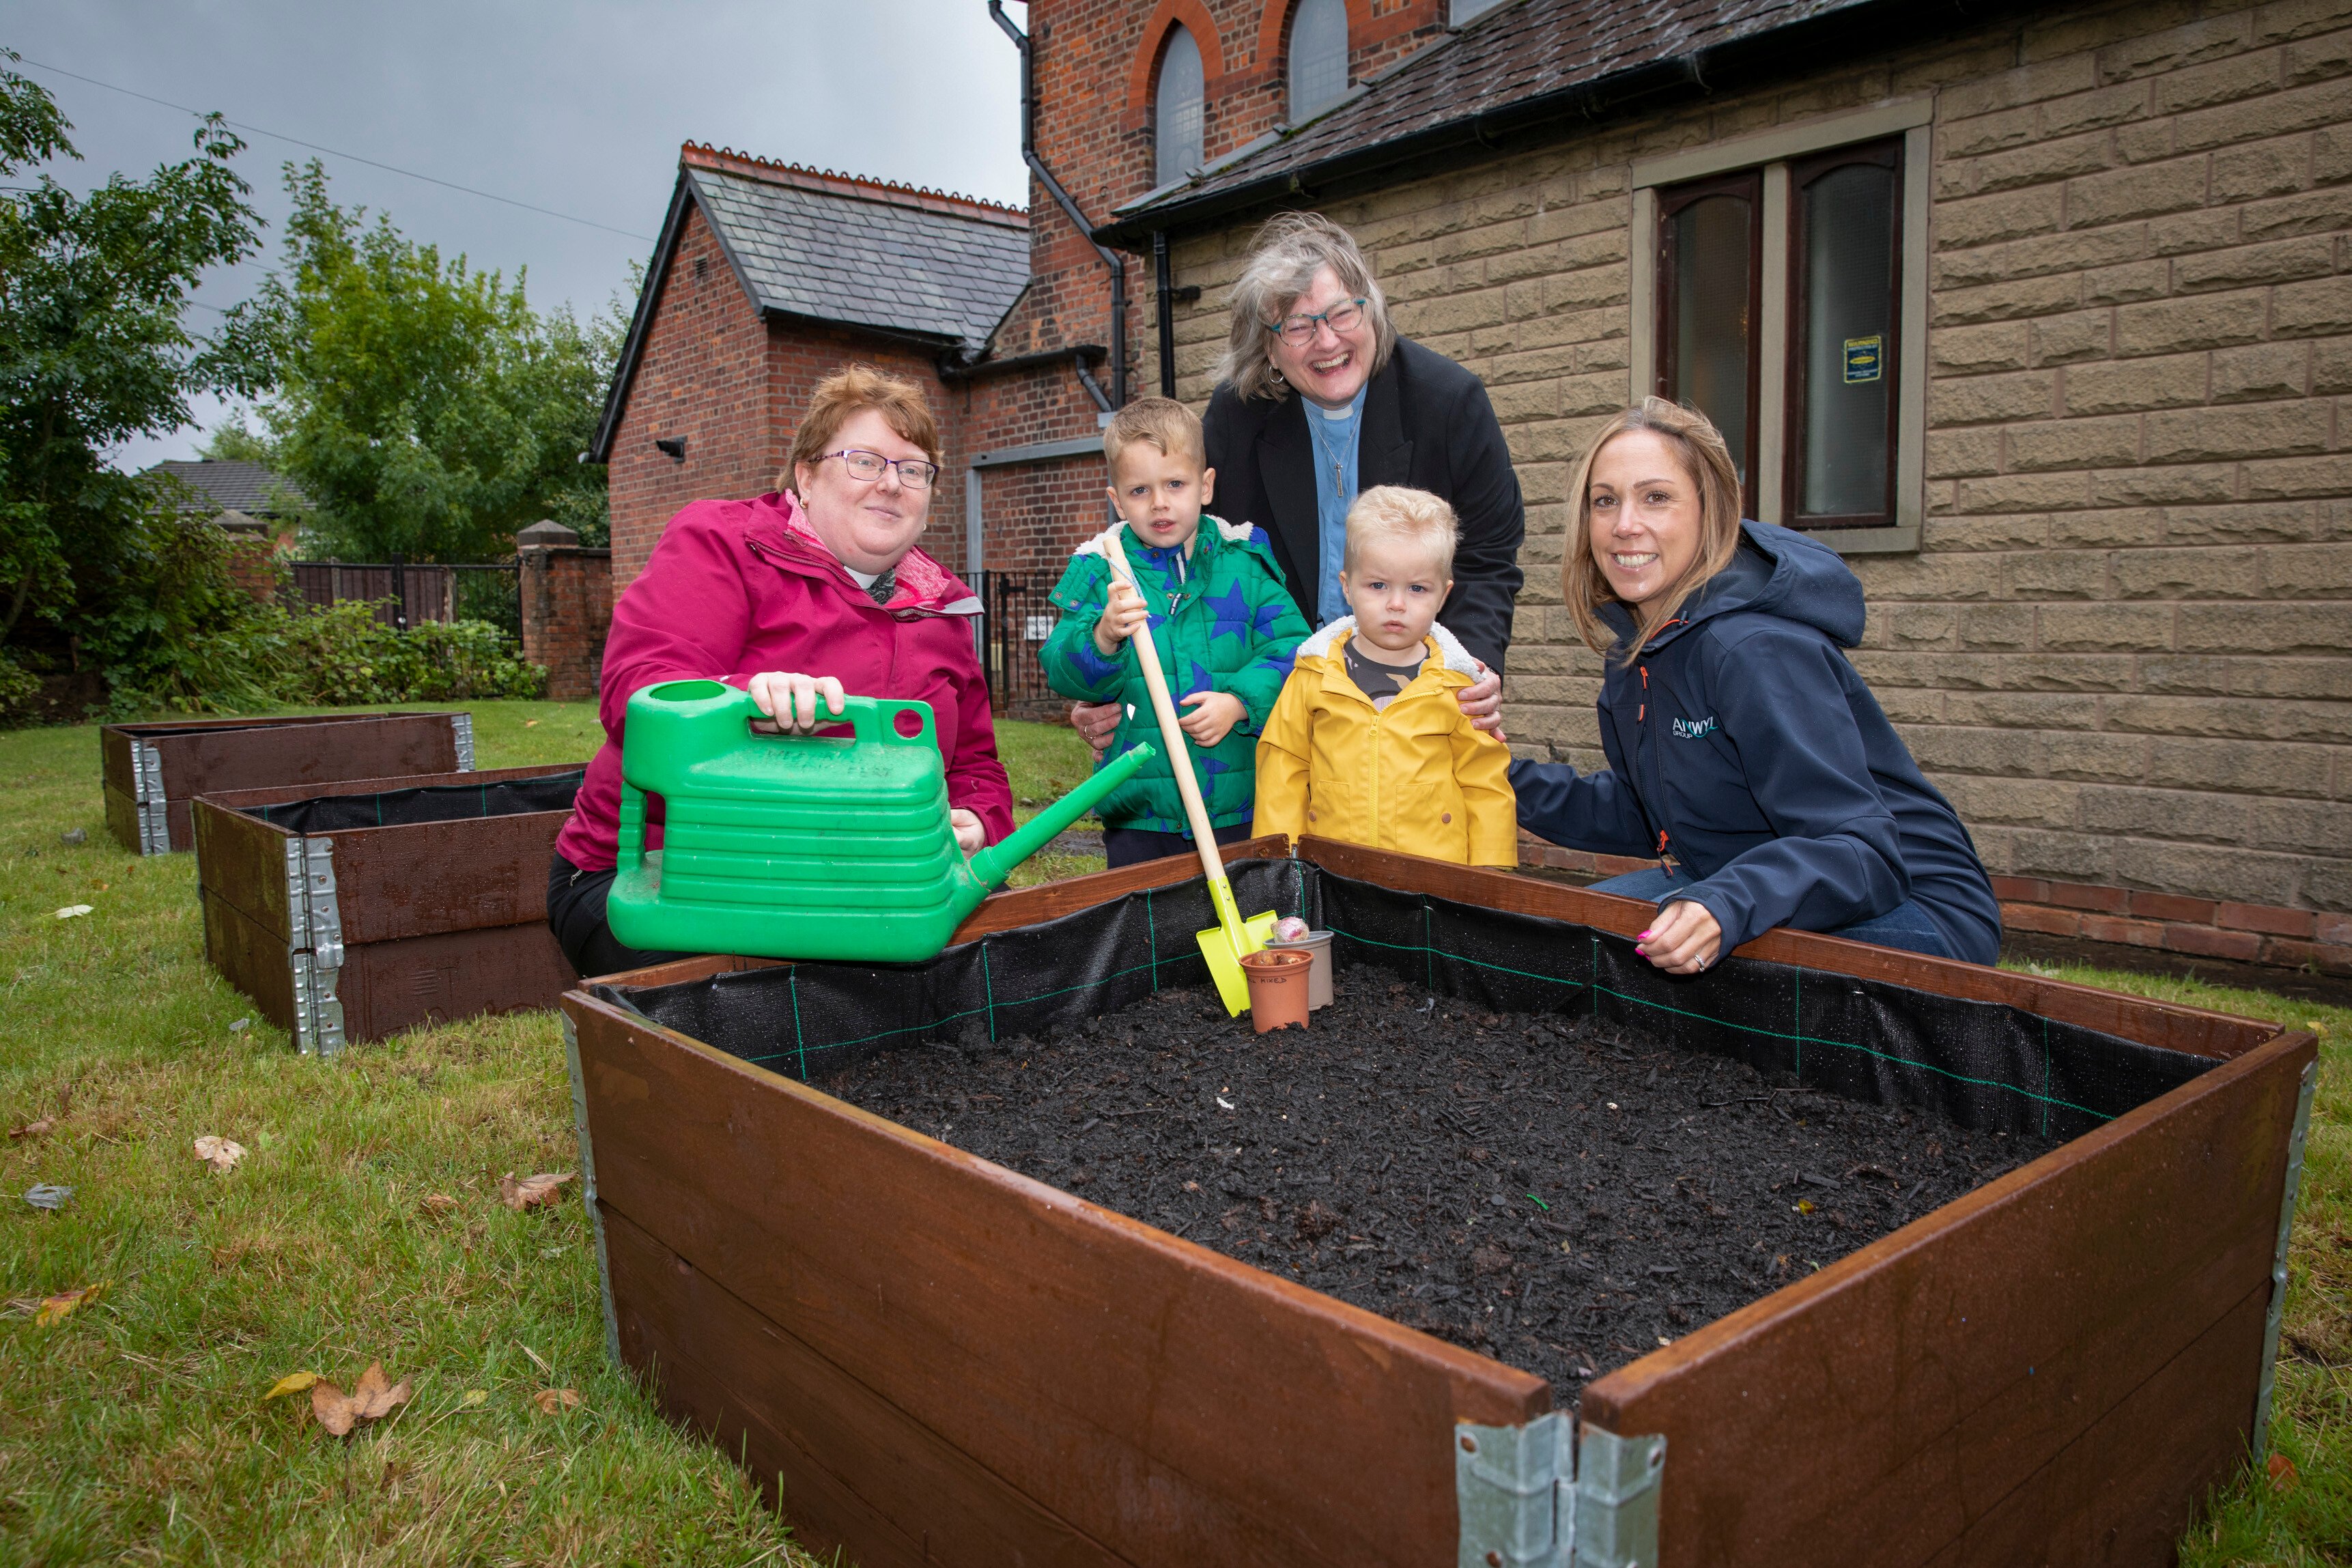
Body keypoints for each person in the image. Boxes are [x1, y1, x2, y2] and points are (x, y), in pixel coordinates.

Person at [547, 364, 1015, 978]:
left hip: (852, 881)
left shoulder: (940, 606)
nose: (892, 484)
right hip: (665, 873)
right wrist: (745, 701)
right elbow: (641, 693)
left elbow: (975, 765)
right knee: (778, 1011)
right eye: (865, 461)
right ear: (805, 476)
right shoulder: (720, 542)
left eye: (913, 469)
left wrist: (977, 822)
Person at [1511, 398, 2001, 972]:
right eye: (1605, 501)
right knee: (1546, 943)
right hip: (1741, 883)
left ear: (1710, 511)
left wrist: (1726, 902)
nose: (1624, 525)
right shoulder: (1637, 651)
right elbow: (1644, 811)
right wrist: (1485, 771)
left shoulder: (1752, 649)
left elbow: (1863, 855)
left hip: (1912, 908)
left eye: (1656, 497)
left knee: (1620, 968)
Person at [1070, 212, 1522, 750]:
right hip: (1281, 691)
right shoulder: (1237, 418)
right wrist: (1111, 677)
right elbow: (1184, 549)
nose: (1327, 342)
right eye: (1299, 327)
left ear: (1370, 310)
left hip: (1414, 684)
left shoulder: (1449, 403)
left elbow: (1488, 556)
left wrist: (1470, 666)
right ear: (1268, 349)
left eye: (1340, 314)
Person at [1038, 397, 1309, 868]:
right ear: (1117, 499)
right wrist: (1104, 637)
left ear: (1205, 487)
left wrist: (1240, 702)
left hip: (1236, 801)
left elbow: (1293, 651)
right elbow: (1064, 670)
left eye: (1175, 484)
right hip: (1140, 813)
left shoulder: (1242, 563)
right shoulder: (1099, 570)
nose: (1160, 502)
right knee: (1150, 933)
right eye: (1139, 491)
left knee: (1244, 919)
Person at [1253, 485, 1516, 866]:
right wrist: (1278, 862)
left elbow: (1486, 783)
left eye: (1417, 588)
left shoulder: (1459, 686)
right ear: (1347, 586)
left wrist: (1490, 874)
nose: (1396, 603)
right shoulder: (1314, 674)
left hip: (1434, 883)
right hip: (1334, 874)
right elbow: (1283, 767)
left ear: (1444, 596)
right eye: (1378, 585)